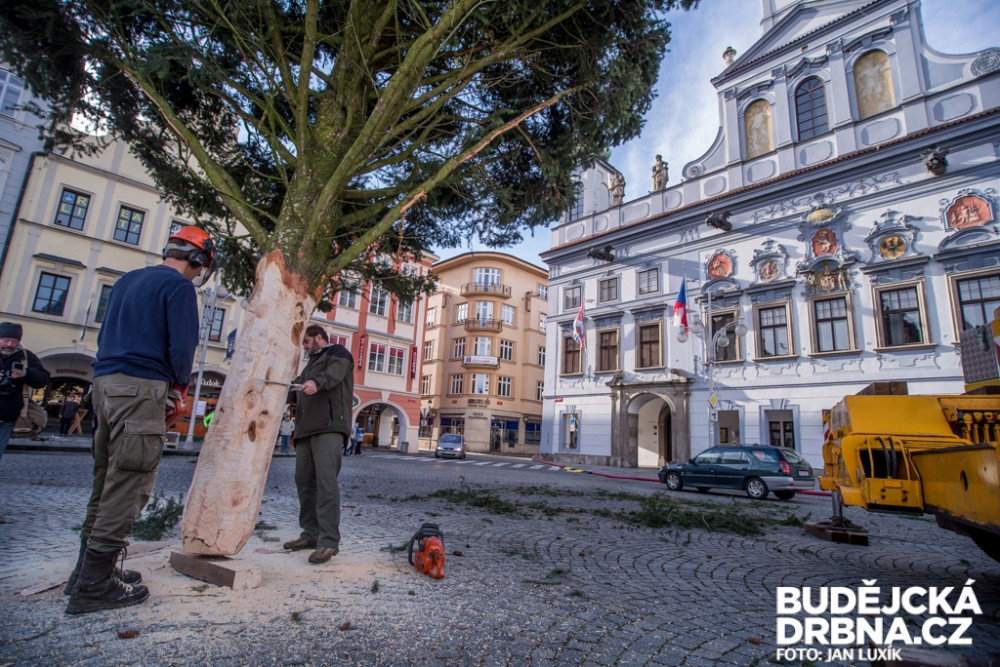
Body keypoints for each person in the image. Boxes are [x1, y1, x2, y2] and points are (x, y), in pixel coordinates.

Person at [65, 226, 214, 615]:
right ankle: (95, 585)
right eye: (202, 266)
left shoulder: (127, 280)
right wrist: (179, 388)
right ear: (198, 259)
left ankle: (84, 572)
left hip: (105, 382)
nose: (199, 273)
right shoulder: (179, 288)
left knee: (105, 478)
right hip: (142, 385)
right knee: (130, 479)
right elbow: (182, 346)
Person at [283, 325, 354, 565]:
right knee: (303, 482)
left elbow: (333, 374)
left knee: (325, 483)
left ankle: (329, 541)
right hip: (305, 430)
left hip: (329, 427)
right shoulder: (309, 365)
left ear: (319, 337)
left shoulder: (338, 353)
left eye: (307, 341)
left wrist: (317, 381)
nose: (304, 346)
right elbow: (296, 390)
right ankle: (310, 534)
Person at [0, 322, 50, 463]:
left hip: (6, 418)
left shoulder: (26, 357)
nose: (9, 344)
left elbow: (43, 379)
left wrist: (26, 373)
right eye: (6, 340)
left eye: (14, 341)